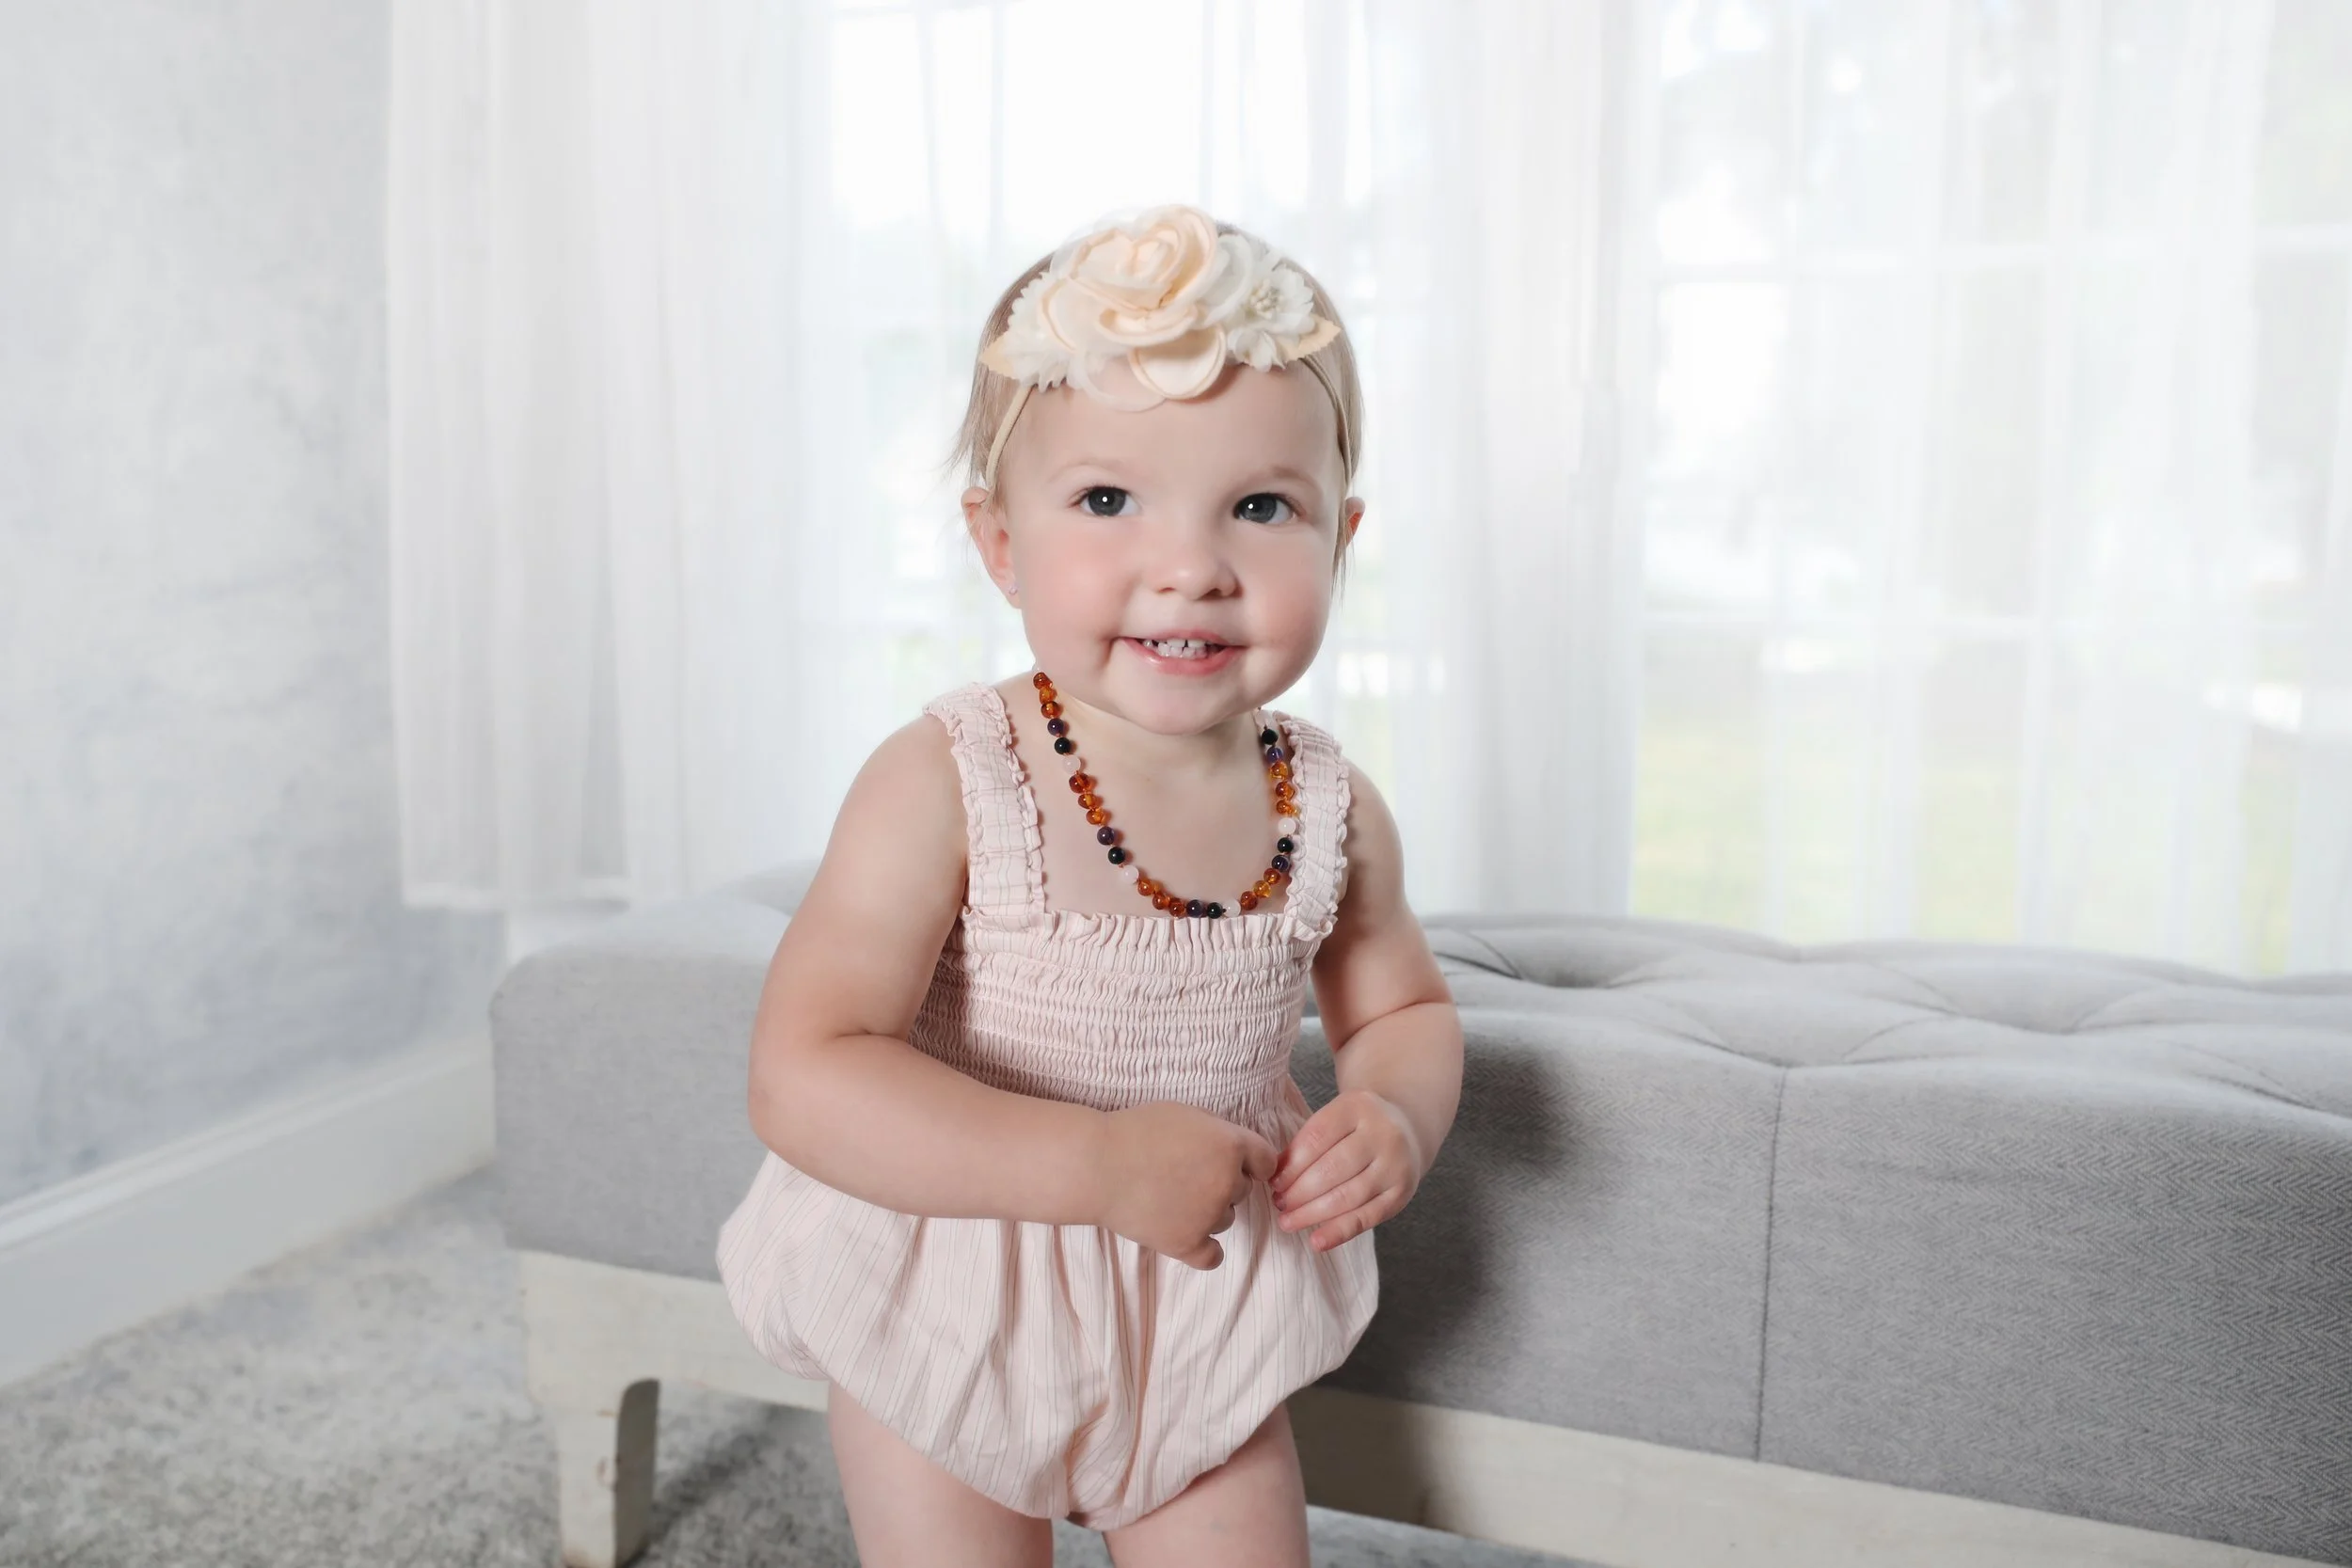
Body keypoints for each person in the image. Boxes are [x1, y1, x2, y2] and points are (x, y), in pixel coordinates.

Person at [717, 203, 1464, 1568]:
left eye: (1260, 505)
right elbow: (804, 1069)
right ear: (998, 540)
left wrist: (1397, 1116)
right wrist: (1087, 1162)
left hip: (1199, 1290)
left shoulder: (1329, 804)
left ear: (1341, 539)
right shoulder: (951, 779)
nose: (1189, 562)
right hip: (955, 1275)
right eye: (1108, 499)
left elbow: (1399, 1005)